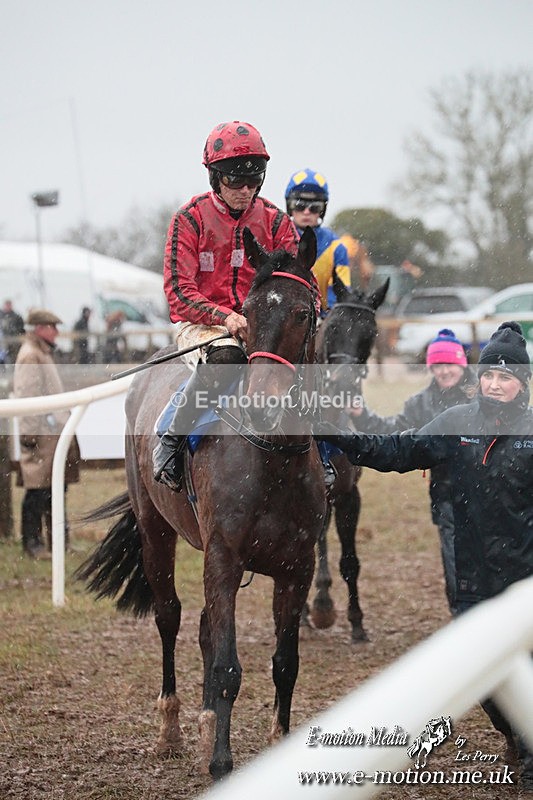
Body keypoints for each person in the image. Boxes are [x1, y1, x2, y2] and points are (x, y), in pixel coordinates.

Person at [317, 321, 533, 790]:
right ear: (478, 379)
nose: (496, 385)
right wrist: (337, 434)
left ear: (524, 384)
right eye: (489, 376)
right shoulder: (457, 425)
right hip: (474, 579)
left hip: (526, 583)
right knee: (486, 680)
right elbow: (397, 450)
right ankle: (517, 732)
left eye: (507, 377)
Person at [153, 120, 300, 491]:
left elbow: (297, 278)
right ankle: (170, 436)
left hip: (259, 320)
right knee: (228, 359)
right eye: (236, 182)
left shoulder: (276, 222)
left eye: (254, 181)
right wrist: (225, 317)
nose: (245, 190)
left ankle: (327, 454)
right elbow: (178, 293)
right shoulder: (189, 220)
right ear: (216, 178)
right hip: (202, 323)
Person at [355, 328, 474, 613]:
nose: (444, 371)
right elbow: (393, 432)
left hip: (492, 495)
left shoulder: (481, 394)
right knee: (456, 571)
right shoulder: (420, 404)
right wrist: (363, 417)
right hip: (448, 498)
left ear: (462, 364)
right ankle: (462, 622)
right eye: (437, 366)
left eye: (450, 364)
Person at [14, 309, 80, 559]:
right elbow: (27, 397)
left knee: (53, 489)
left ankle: (57, 542)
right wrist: (30, 434)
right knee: (37, 491)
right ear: (40, 328)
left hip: (49, 434)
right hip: (42, 436)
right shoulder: (32, 356)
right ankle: (34, 544)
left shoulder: (40, 352)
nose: (57, 331)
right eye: (52, 326)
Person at [284, 168, 350, 313]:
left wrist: (324, 316)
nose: (306, 212)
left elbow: (341, 294)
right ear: (290, 206)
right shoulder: (278, 239)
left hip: (323, 321)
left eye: (314, 207)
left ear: (322, 210)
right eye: (300, 205)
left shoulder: (337, 247)